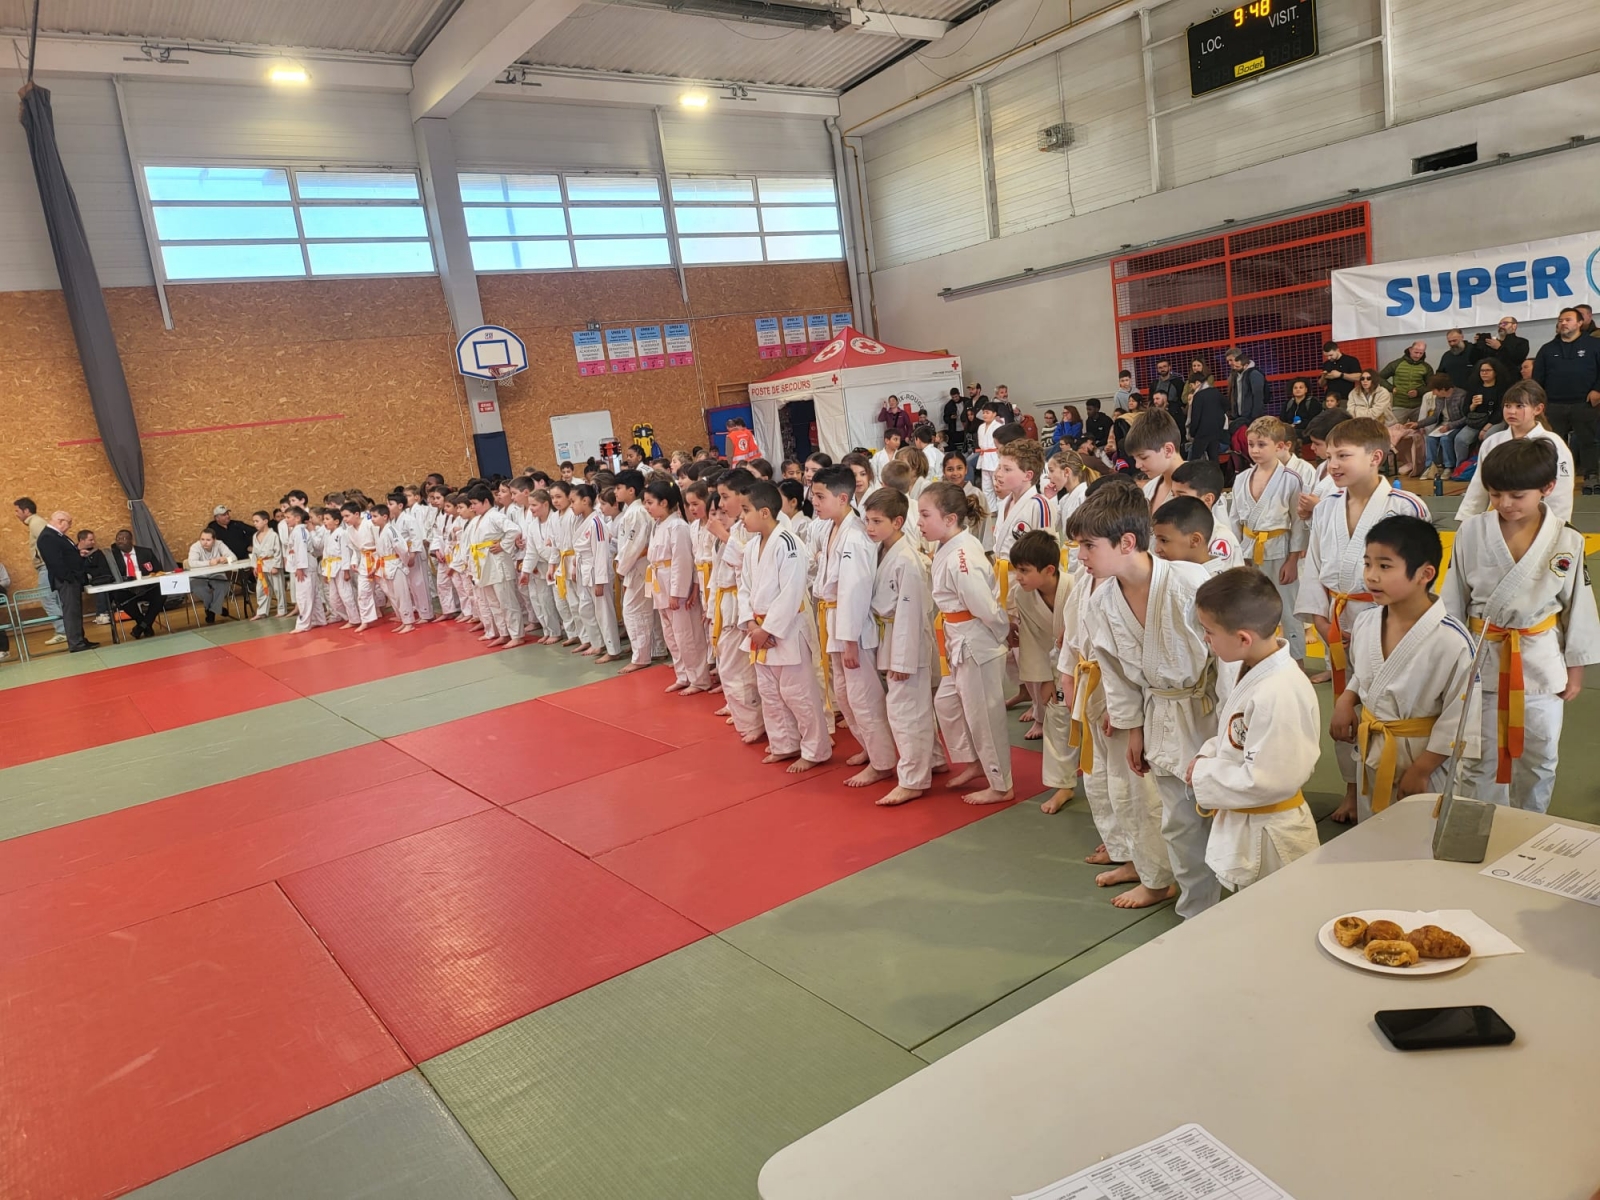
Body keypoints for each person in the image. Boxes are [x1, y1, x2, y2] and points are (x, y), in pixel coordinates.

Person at [1442, 438, 1600, 813]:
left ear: (1547, 488)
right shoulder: (1471, 532)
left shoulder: (1567, 538)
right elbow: (1452, 601)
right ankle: (1477, 828)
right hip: (1482, 658)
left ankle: (1530, 826)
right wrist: (1449, 665)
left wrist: (1575, 670)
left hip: (1541, 661)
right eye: (1496, 494)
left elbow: (1578, 607)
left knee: (1540, 755)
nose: (1505, 504)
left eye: (1517, 495)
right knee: (1477, 757)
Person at [1079, 484, 1215, 917]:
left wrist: (1234, 729)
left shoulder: (1190, 582)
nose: (1080, 556)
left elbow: (1230, 660)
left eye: (1088, 545)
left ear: (1126, 542)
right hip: (1158, 714)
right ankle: (1196, 909)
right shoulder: (1102, 602)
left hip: (1211, 710)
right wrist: (1133, 730)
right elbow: (1116, 676)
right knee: (1178, 821)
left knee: (1231, 815)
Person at [1294, 417, 1429, 823]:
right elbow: (1314, 565)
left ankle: (1397, 786)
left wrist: (1390, 624)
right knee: (1345, 710)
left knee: (1386, 707)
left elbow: (1419, 573)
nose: (1333, 464)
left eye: (1344, 456)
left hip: (1389, 623)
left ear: (1375, 457)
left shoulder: (1405, 507)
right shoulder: (1326, 506)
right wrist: (1321, 621)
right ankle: (1352, 790)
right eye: (1330, 456)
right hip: (1337, 620)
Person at [1330, 516, 1478, 820]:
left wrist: (1423, 768)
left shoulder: (1452, 640)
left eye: (1385, 566)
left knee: (1418, 834)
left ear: (1425, 574)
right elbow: (1367, 674)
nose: (1371, 576)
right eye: (1367, 564)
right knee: (1371, 831)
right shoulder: (1366, 621)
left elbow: (1461, 716)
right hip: (1373, 749)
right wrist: (1347, 699)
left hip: (1425, 760)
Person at [1189, 568, 1321, 891]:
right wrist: (1207, 755)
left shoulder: (1278, 692)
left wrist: (1203, 774)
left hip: (1272, 835)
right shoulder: (1256, 668)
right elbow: (1236, 737)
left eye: (1209, 631)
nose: (1206, 639)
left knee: (1277, 912)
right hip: (1254, 825)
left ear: (1243, 639)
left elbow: (1267, 780)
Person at [918, 481, 1012, 805]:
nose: (919, 522)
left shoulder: (962, 555)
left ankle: (1002, 785)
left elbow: (985, 606)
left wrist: (1001, 632)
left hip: (976, 642)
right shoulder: (949, 546)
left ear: (949, 519)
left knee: (984, 717)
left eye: (925, 515)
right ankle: (975, 761)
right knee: (947, 703)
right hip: (957, 637)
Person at [810, 468, 896, 788]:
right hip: (834, 619)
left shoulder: (856, 536)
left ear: (842, 498)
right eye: (813, 495)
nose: (814, 502)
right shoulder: (833, 528)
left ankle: (883, 762)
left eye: (820, 496)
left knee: (862, 697)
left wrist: (849, 641)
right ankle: (870, 748)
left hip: (853, 627)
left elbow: (854, 591)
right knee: (845, 695)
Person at [740, 479, 829, 771]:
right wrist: (751, 624)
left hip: (786, 629)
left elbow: (792, 591)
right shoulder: (751, 547)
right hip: (759, 630)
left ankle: (815, 750)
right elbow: (744, 588)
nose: (741, 517)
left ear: (764, 512)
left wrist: (768, 629)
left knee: (799, 693)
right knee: (770, 693)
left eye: (745, 510)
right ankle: (784, 744)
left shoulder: (789, 543)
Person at [863, 488, 942, 806]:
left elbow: (912, 614)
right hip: (890, 635)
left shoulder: (907, 560)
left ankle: (913, 780)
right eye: (867, 520)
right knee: (913, 707)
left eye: (877, 521)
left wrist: (902, 660)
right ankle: (934, 759)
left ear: (897, 522)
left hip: (905, 640)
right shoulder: (882, 551)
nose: (870, 527)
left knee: (905, 711)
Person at [1227, 417, 1308, 667]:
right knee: (1253, 607)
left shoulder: (1291, 479)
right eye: (1251, 444)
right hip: (1249, 551)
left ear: (1279, 446)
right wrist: (1238, 556)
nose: (1255, 450)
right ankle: (1260, 659)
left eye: (1262, 444)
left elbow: (1298, 522)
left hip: (1279, 550)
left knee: (1288, 609)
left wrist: (1293, 560)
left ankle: (1297, 662)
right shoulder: (1241, 479)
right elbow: (1234, 520)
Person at [645, 478, 711, 695]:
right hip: (660, 582)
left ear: (664, 502)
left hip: (676, 586)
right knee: (671, 636)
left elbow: (682, 562)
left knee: (687, 635)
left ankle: (699, 679)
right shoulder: (658, 524)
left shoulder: (678, 526)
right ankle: (683, 675)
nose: (646, 507)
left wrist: (677, 593)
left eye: (650, 502)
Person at [1010, 528, 1071, 752]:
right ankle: (1041, 717)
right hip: (1052, 657)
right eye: (1016, 569)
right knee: (1054, 705)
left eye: (1024, 570)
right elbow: (1033, 641)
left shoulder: (1075, 587)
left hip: (1078, 660)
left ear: (1049, 570)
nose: (1018, 577)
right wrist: (1045, 679)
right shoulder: (1021, 594)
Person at [1533, 307, 1600, 494]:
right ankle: (1555, 477)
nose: (1563, 323)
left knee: (1588, 441)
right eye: (1561, 320)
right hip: (1554, 404)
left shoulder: (1594, 345)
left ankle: (1591, 476)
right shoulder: (1547, 349)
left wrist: (1597, 390)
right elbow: (1537, 378)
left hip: (1584, 403)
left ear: (1579, 323)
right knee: (1553, 443)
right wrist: (1539, 402)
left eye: (1568, 320)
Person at [572, 483, 622, 661]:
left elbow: (601, 552)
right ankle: (597, 643)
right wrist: (574, 567)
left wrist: (600, 581)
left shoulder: (596, 523)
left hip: (596, 571)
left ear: (585, 501)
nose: (571, 505)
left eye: (573, 501)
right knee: (585, 608)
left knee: (604, 613)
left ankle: (613, 650)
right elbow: (579, 549)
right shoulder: (579, 520)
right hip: (583, 569)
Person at [1170, 459, 1242, 569]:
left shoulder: (1221, 538)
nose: (1174, 502)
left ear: (1208, 499)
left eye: (1181, 496)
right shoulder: (1170, 528)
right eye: (1173, 495)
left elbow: (1228, 578)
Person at [14, 497, 64, 641]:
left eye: (17, 511)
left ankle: (63, 631)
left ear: (26, 510)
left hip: (46, 567)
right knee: (54, 598)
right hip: (47, 566)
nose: (16, 514)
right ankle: (66, 630)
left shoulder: (36, 523)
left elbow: (48, 543)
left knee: (47, 598)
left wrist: (47, 563)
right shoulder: (35, 522)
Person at [1152, 495, 1235, 576]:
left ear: (1195, 540)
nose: (1157, 549)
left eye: (1163, 540)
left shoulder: (1214, 582)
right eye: (1157, 539)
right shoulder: (1175, 572)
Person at [372, 502, 419, 636]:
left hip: (395, 564)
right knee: (393, 596)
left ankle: (409, 623)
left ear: (384, 517)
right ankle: (403, 620)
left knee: (402, 595)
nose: (373, 519)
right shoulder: (379, 531)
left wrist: (404, 562)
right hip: (386, 565)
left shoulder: (391, 530)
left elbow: (402, 548)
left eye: (375, 516)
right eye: (371, 516)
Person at [104, 529, 161, 639]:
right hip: (127, 590)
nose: (120, 541)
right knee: (119, 596)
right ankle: (144, 624)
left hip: (146, 587)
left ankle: (141, 626)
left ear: (131, 540)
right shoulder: (113, 557)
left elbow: (158, 570)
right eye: (118, 539)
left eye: (123, 538)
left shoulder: (146, 552)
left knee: (161, 593)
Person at [1455, 356, 1511, 466]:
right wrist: (1473, 405)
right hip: (1477, 420)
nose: (1484, 373)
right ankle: (1461, 467)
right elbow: (1465, 410)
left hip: (1495, 421)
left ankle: (1487, 466)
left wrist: (1486, 428)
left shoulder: (1502, 389)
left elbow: (1500, 411)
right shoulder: (1474, 387)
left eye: (1488, 370)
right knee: (1460, 439)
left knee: (1488, 437)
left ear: (1495, 372)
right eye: (1482, 371)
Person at [1126, 409, 1185, 511]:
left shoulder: (1199, 490)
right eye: (1135, 458)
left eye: (1143, 457)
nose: (1137, 465)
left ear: (1168, 450)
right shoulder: (1149, 488)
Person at [1415, 372, 1468, 481]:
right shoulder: (1439, 398)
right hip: (1443, 425)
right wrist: (1418, 424)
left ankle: (1449, 467)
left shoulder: (1461, 395)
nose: (1433, 393)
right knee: (1430, 438)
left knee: (1445, 439)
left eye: (1434, 390)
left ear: (1443, 389)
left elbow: (1466, 417)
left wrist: (1450, 426)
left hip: (1457, 425)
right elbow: (1435, 416)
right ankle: (1430, 466)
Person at [281, 506, 325, 635]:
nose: (286, 520)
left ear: (297, 518)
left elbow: (301, 550)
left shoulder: (299, 531)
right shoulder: (299, 530)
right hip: (308, 564)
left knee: (303, 596)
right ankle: (319, 619)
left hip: (304, 566)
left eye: (288, 517)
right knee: (313, 594)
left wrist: (300, 568)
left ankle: (303, 624)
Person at [185, 528, 237, 625]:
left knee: (223, 585)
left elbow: (233, 557)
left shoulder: (219, 544)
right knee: (199, 589)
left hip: (216, 573)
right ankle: (218, 608)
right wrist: (209, 563)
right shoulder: (195, 547)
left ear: (214, 540)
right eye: (202, 539)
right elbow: (192, 563)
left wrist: (226, 559)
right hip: (198, 575)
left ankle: (211, 610)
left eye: (208, 540)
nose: (205, 542)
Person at [1378, 341, 1432, 420]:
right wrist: (1391, 388)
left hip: (1419, 406)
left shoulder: (1426, 367)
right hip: (1399, 405)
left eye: (1421, 353)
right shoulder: (1396, 364)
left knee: (1420, 428)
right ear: (1410, 350)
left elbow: (1431, 385)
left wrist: (1418, 392)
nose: (1418, 355)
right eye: (1416, 352)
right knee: (1395, 427)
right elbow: (1379, 378)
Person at [249, 511, 287, 621]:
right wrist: (255, 566)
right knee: (260, 589)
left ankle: (282, 610)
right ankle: (262, 612)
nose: (255, 523)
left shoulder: (273, 535)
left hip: (272, 564)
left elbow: (278, 551)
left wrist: (276, 566)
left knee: (278, 588)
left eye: (257, 521)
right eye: (254, 521)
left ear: (265, 521)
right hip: (261, 565)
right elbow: (255, 553)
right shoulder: (255, 536)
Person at [1186, 374, 1229, 465]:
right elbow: (1227, 405)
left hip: (1202, 433)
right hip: (1216, 431)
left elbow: (1195, 417)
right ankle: (1216, 474)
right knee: (1214, 459)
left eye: (1191, 385)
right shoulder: (1215, 392)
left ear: (1197, 383)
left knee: (1194, 460)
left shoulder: (1198, 396)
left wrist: (1193, 432)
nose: (1192, 388)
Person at [1225, 348, 1267, 431]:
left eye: (1231, 360)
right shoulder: (1235, 374)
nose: (1229, 363)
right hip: (1239, 417)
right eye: (1228, 361)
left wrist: (1255, 417)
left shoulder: (1254, 374)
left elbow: (1258, 397)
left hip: (1251, 418)